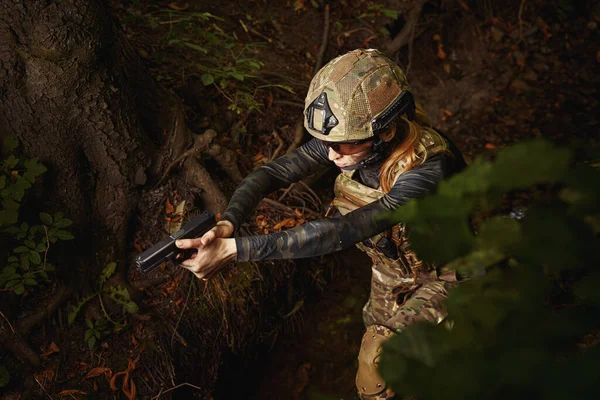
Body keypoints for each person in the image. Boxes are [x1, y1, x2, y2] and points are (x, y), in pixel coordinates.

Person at [176, 48, 466, 399]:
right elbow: (271, 173)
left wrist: (236, 251)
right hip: (392, 272)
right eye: (326, 144)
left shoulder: (427, 171)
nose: (331, 156)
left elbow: (345, 231)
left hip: (451, 274)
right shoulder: (351, 143)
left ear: (385, 132)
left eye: (341, 146)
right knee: (383, 347)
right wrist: (228, 225)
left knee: (378, 362)